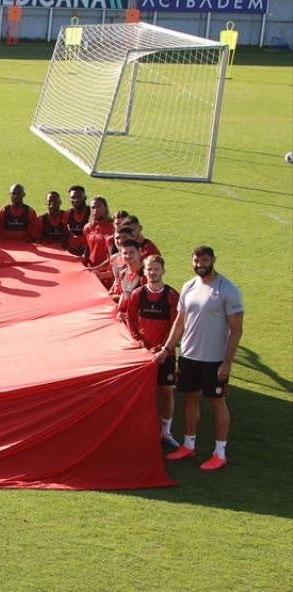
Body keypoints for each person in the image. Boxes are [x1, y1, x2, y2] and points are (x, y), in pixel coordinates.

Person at [154, 246, 244, 470]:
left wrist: (227, 362)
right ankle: (188, 445)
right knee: (189, 399)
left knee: (217, 403)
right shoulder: (189, 286)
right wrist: (167, 348)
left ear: (213, 260)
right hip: (189, 356)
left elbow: (237, 330)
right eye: (196, 260)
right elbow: (180, 321)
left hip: (214, 360)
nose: (200, 264)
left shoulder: (227, 289)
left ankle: (220, 453)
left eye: (204, 260)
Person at [123, 255, 180, 447]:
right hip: (142, 352)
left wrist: (163, 348)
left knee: (166, 392)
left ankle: (166, 432)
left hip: (165, 354)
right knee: (143, 393)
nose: (152, 272)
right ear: (144, 271)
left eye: (156, 269)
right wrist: (139, 342)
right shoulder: (138, 294)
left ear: (163, 271)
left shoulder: (172, 295)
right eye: (149, 269)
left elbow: (176, 326)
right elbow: (130, 319)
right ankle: (144, 428)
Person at [83, 196, 116, 287]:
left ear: (105, 208)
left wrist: (96, 269)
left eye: (99, 207)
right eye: (93, 207)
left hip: (107, 274)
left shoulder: (113, 228)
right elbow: (87, 251)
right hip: (92, 273)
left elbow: (114, 257)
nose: (96, 210)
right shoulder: (87, 228)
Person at [64, 185, 90, 257]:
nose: (76, 200)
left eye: (79, 197)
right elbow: (66, 234)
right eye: (73, 197)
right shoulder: (67, 214)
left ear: (85, 197)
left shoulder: (92, 214)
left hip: (87, 252)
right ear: (70, 200)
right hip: (71, 253)